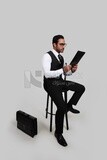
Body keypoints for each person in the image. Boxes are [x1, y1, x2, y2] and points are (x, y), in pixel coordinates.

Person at [42, 35, 85, 147]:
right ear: (54, 44)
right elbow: (47, 74)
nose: (63, 46)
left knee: (81, 88)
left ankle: (69, 106)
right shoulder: (47, 56)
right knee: (61, 107)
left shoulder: (61, 58)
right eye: (61, 44)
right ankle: (58, 133)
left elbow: (64, 73)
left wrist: (72, 71)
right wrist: (62, 69)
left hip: (60, 82)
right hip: (50, 84)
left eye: (64, 44)